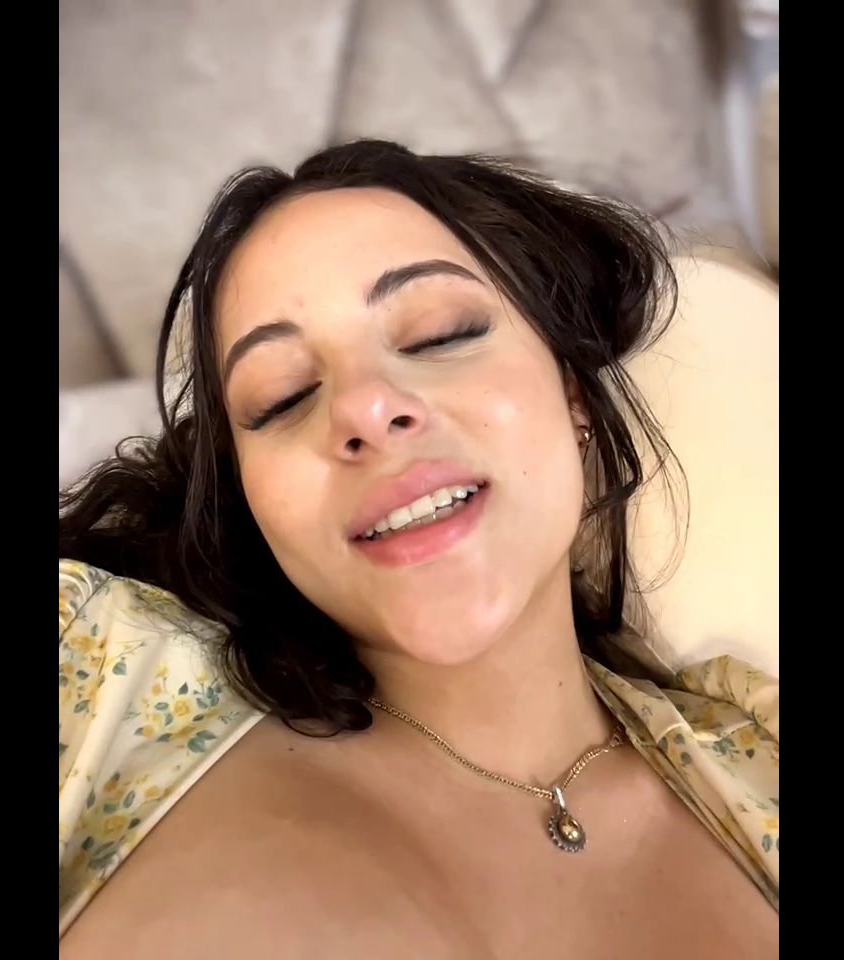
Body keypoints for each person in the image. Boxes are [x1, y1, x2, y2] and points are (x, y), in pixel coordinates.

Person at [59, 139, 778, 957]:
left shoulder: (755, 757)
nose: (365, 408)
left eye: (439, 335)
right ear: (252, 503)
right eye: (283, 398)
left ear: (572, 392)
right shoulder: (90, 661)